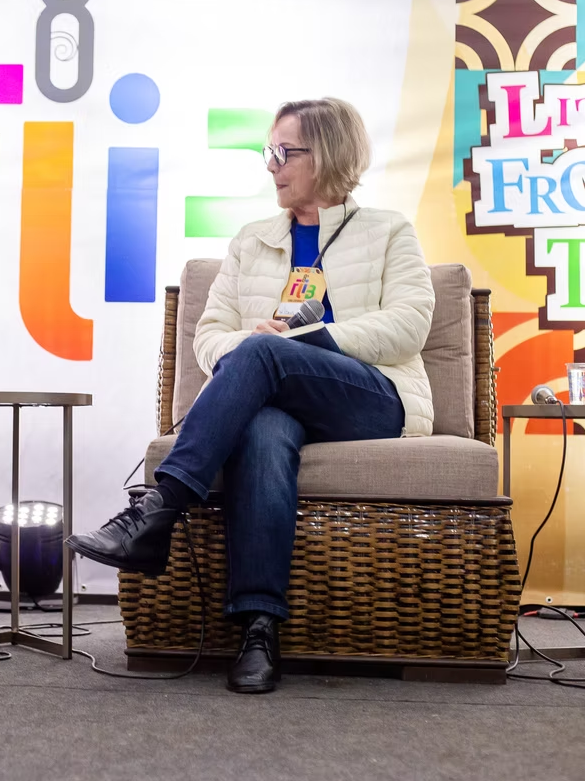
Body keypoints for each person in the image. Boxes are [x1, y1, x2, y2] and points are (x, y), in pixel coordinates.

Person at [67, 98, 433, 694]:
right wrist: (257, 345)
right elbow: (209, 337)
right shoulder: (252, 241)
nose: (271, 165)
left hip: (369, 398)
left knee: (266, 352)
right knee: (262, 429)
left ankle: (160, 507)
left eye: (284, 152)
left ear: (328, 153)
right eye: (270, 151)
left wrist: (300, 343)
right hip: (276, 400)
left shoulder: (389, 230)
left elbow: (409, 325)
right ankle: (259, 631)